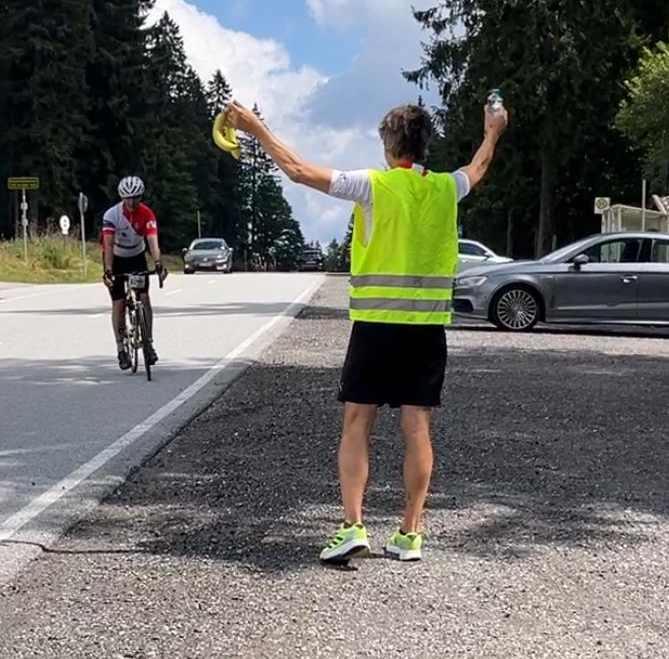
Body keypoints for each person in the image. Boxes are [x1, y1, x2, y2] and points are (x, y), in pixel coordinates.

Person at [223, 97, 509, 562]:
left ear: (387, 144)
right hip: (426, 329)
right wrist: (493, 130)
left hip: (376, 326)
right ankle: (409, 534)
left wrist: (256, 128)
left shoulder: (372, 185)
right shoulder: (445, 189)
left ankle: (353, 525)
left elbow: (297, 170)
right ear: (424, 145)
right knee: (417, 429)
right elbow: (477, 167)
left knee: (357, 423)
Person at [100, 175, 165, 371]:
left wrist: (158, 262)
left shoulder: (147, 214)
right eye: (126, 198)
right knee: (118, 304)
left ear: (141, 197)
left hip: (137, 256)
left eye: (135, 197)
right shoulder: (111, 215)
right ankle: (121, 348)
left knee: (144, 298)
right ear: (121, 198)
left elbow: (153, 241)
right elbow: (108, 245)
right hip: (116, 258)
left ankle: (149, 343)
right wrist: (109, 270)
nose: (131, 202)